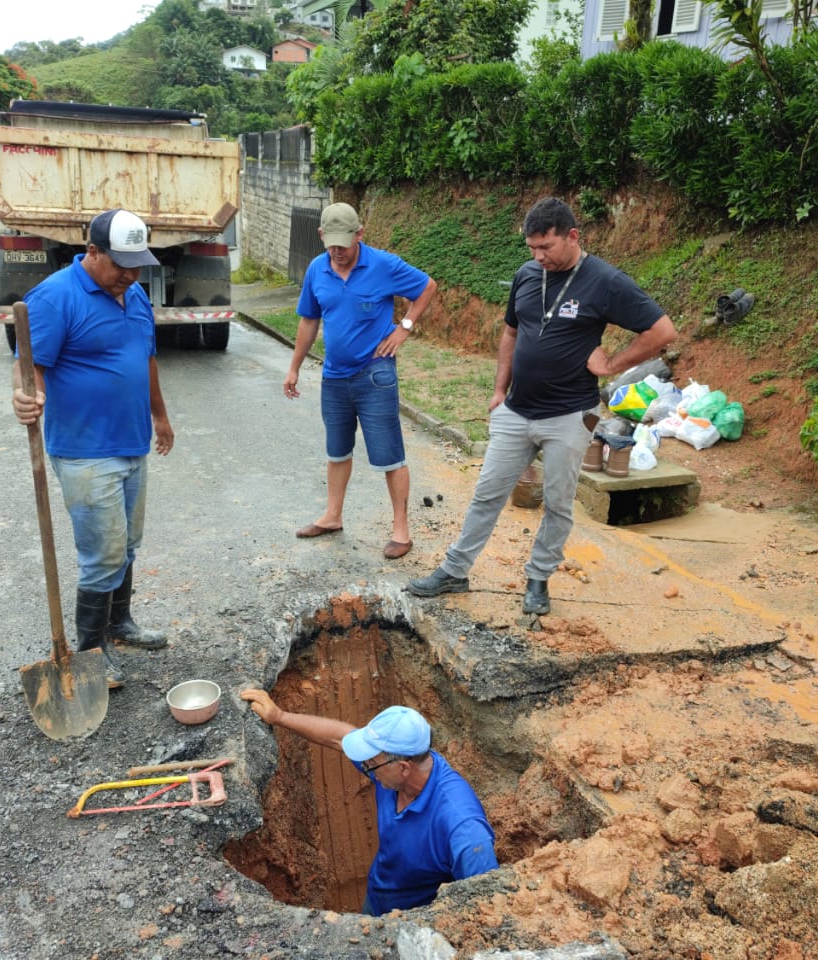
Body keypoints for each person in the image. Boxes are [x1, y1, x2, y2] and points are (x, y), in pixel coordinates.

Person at [407, 197, 677, 616]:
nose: (538, 257)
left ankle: (538, 579)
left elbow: (661, 330)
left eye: (546, 247)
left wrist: (611, 365)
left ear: (572, 236)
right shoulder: (527, 275)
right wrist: (500, 391)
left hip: (570, 416)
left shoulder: (605, 281)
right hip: (517, 411)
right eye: (532, 248)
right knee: (487, 494)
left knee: (557, 502)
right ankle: (455, 570)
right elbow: (510, 335)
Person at [11, 208, 175, 690]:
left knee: (126, 543)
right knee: (102, 553)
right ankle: (89, 651)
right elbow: (31, 367)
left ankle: (119, 623)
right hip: (83, 450)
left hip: (131, 442)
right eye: (120, 263)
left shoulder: (136, 295)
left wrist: (159, 415)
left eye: (137, 263)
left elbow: (145, 359)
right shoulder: (55, 298)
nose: (130, 273)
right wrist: (27, 398)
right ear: (92, 252)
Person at [238, 690, 498, 915]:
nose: (365, 768)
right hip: (377, 900)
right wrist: (280, 717)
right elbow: (340, 737)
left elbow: (485, 908)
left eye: (370, 763)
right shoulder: (390, 771)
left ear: (404, 767)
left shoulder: (463, 829)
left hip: (415, 926)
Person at [285, 202, 438, 561]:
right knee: (336, 450)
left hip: (376, 373)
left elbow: (427, 287)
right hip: (334, 377)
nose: (337, 253)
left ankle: (401, 530)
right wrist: (294, 366)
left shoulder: (382, 264)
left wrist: (404, 329)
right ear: (321, 236)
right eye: (331, 245)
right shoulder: (316, 269)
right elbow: (309, 320)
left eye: (344, 244)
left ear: (360, 234)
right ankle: (333, 516)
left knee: (389, 455)